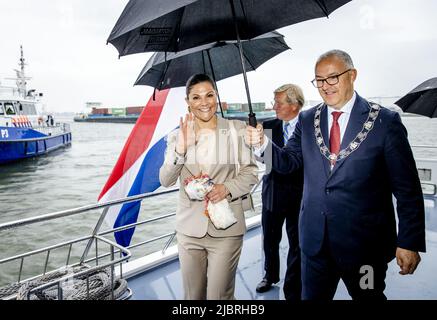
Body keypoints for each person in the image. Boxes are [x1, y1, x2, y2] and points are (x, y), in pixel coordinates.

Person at [245, 49, 426, 300]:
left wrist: (409, 241)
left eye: (332, 78)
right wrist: (261, 146)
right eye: (319, 80)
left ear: (352, 75)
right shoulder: (307, 119)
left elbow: (407, 188)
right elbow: (287, 162)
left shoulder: (385, 122)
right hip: (315, 246)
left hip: (365, 248)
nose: (325, 86)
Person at [159, 73, 258, 300]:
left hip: (226, 229)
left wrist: (227, 188)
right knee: (193, 297)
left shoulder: (236, 129)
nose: (204, 102)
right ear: (188, 102)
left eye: (209, 95)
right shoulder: (177, 136)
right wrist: (181, 150)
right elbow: (165, 180)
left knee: (219, 297)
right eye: (196, 97)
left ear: (216, 96)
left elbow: (251, 172)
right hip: (189, 231)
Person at [255, 84, 304, 300]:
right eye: (273, 101)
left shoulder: (310, 128)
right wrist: (256, 147)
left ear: (294, 105)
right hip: (273, 194)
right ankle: (270, 275)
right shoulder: (267, 126)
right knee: (270, 240)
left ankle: (294, 284)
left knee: (298, 244)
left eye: (278, 102)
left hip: (300, 197)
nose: (273, 106)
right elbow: (262, 160)